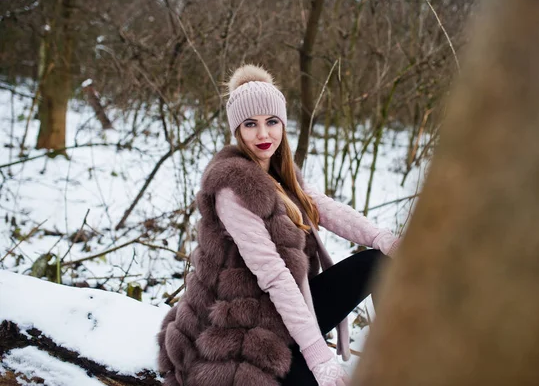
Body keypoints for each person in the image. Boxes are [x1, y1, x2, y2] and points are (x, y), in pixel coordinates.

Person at [157, 64, 401, 386]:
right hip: (244, 330)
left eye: (271, 122)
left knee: (380, 262)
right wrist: (317, 356)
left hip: (287, 312)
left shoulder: (281, 175)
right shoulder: (233, 188)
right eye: (250, 124)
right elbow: (274, 275)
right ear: (237, 131)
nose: (263, 134)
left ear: (283, 125)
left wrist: (385, 238)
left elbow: (326, 209)